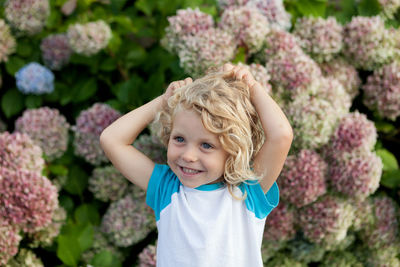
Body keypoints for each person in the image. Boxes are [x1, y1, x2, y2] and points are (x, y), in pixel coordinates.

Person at [100, 63, 293, 267]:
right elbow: (111, 139)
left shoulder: (248, 191)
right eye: (180, 139)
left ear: (234, 151)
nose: (189, 155)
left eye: (206, 145)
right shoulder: (167, 188)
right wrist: (163, 102)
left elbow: (281, 136)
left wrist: (252, 87)